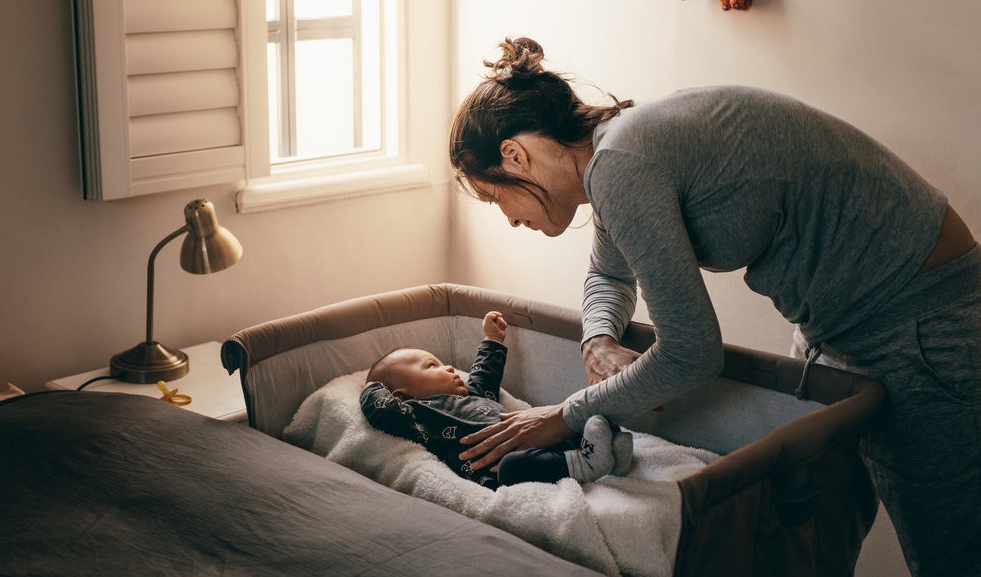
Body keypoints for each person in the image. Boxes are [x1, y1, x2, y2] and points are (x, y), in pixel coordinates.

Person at [448, 37, 979, 577]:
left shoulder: (620, 164)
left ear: (514, 155)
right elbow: (608, 273)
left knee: (950, 553)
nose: (510, 219)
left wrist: (564, 415)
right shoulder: (612, 155)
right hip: (839, 324)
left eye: (496, 198)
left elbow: (693, 353)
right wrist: (598, 340)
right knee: (814, 535)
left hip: (918, 320)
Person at [360, 311, 632, 489]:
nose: (450, 368)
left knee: (579, 419)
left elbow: (484, 378)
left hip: (535, 438)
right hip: (500, 468)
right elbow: (382, 411)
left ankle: (606, 455)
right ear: (403, 396)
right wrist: (372, 386)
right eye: (432, 366)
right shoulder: (417, 415)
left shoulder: (472, 395)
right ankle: (585, 463)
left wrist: (493, 339)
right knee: (514, 467)